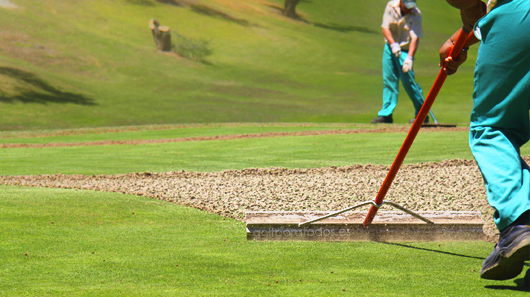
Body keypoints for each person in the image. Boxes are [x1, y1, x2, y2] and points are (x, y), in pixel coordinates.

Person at [441, 0, 530, 281]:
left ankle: (520, 223)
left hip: (517, 17)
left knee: (493, 128)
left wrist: (469, 24)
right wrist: (467, 34)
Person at [372, 0, 429, 124]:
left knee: (409, 82)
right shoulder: (391, 6)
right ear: (401, 2)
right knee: (389, 81)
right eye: (407, 7)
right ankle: (386, 115)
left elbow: (415, 37)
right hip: (390, 47)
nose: (409, 9)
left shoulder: (416, 13)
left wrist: (409, 58)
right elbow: (385, 27)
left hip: (405, 50)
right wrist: (393, 45)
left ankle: (422, 114)